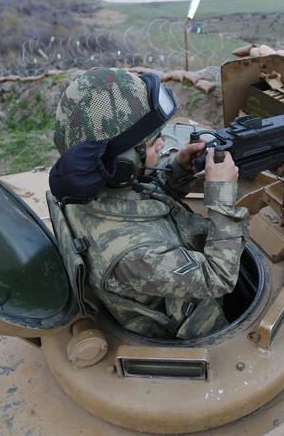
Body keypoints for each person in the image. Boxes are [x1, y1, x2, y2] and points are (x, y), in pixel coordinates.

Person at [48, 68, 249, 340]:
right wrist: (221, 194)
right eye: (155, 143)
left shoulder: (93, 182)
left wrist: (178, 168)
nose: (163, 145)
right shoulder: (133, 255)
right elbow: (220, 278)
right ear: (123, 163)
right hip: (193, 325)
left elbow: (141, 196)